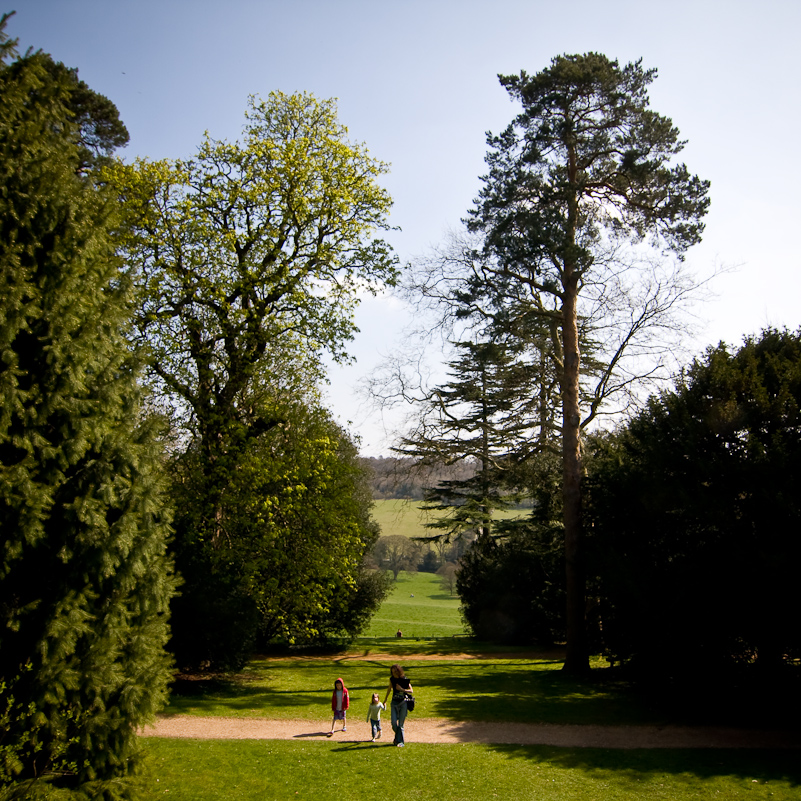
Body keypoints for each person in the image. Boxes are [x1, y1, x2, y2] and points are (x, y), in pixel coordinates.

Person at [383, 663, 413, 747]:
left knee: (400, 724)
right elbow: (389, 689)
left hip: (403, 703)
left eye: (395, 672)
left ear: (398, 671)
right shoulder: (392, 679)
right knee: (393, 723)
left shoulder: (404, 679)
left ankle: (400, 742)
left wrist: (402, 689)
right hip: (394, 703)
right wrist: (385, 699)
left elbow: (411, 690)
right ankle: (398, 738)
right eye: (392, 672)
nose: (394, 674)